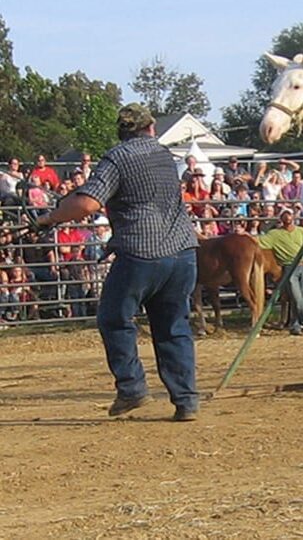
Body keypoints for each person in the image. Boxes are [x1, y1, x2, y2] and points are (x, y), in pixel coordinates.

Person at [35, 103, 200, 421]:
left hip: (141, 251)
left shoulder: (118, 157)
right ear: (150, 127)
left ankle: (132, 388)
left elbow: (87, 202)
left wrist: (51, 218)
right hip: (183, 251)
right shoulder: (166, 155)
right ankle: (186, 400)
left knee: (114, 317)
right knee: (174, 326)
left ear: (122, 130)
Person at [257, 207, 303, 335]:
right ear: (281, 219)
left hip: (302, 265)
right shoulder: (275, 234)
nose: (288, 219)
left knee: (301, 298)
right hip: (289, 267)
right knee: (298, 298)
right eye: (285, 216)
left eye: (289, 215)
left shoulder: (301, 231)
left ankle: (297, 325)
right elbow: (260, 241)